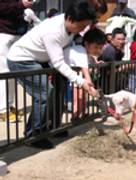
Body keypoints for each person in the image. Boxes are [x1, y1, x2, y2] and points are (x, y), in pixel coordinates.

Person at [7, 1, 98, 149]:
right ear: (70, 19)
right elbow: (58, 63)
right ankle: (33, 134)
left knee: (59, 86)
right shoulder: (53, 31)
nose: (81, 30)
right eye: (81, 26)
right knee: (44, 92)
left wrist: (85, 75)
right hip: (22, 59)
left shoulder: (71, 27)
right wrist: (80, 81)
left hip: (41, 58)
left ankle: (53, 126)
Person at [0, 0, 33, 121]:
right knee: (3, 72)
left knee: (12, 72)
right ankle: (2, 109)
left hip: (16, 33)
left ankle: (8, 105)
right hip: (3, 33)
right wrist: (20, 5)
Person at [65, 28, 107, 119]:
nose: (98, 50)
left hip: (77, 78)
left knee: (82, 97)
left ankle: (82, 114)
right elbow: (86, 72)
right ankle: (75, 116)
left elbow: (86, 66)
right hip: (69, 77)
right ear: (87, 44)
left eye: (100, 48)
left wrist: (95, 64)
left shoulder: (84, 51)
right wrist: (92, 88)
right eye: (96, 47)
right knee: (78, 98)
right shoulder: (80, 52)